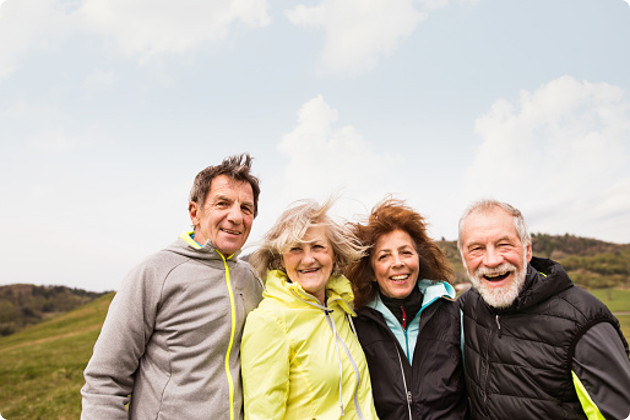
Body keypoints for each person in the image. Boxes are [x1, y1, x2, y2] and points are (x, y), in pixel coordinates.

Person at [81, 153, 264, 420]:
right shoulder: (154, 272)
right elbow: (104, 381)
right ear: (195, 212)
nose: (236, 217)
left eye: (246, 208)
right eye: (222, 203)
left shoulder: (251, 280)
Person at [457, 199, 630, 420]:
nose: (491, 260)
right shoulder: (465, 308)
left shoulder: (584, 323)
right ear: (464, 259)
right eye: (477, 249)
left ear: (527, 251)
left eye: (504, 244)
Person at [240, 199, 379, 419]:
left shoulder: (341, 309)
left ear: (334, 255)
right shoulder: (268, 321)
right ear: (281, 260)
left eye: (317, 247)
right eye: (295, 248)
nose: (308, 259)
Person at [346, 198, 468, 420]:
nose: (397, 263)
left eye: (406, 252)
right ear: (371, 271)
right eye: (384, 256)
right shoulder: (355, 325)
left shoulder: (453, 315)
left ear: (419, 260)